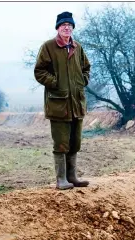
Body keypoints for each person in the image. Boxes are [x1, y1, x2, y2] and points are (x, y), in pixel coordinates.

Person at [34, 11, 91, 190]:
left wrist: (83, 80)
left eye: (70, 25)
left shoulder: (77, 47)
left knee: (75, 141)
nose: (67, 28)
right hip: (59, 104)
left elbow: (86, 68)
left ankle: (72, 177)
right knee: (61, 142)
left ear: (73, 28)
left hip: (77, 103)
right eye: (63, 25)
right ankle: (61, 180)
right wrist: (55, 82)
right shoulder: (48, 47)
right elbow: (39, 71)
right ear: (58, 28)